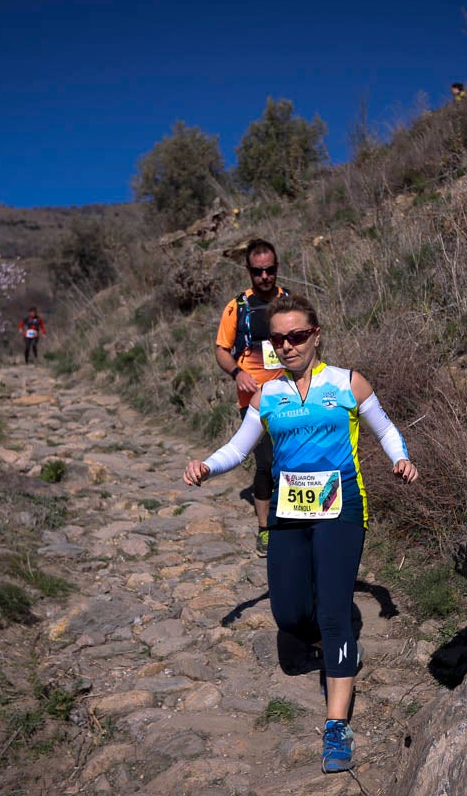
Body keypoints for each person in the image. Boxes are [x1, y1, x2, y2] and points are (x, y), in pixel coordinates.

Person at [184, 294, 418, 773]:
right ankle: (329, 641)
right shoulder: (267, 395)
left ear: (316, 335)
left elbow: (386, 429)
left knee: (334, 612)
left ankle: (336, 725)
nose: (287, 346)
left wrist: (400, 457)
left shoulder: (347, 383)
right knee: (289, 613)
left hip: (342, 507)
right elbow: (238, 448)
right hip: (289, 512)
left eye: (296, 336)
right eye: (277, 339)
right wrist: (208, 465)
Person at [213, 239, 290, 556]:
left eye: (270, 270)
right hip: (255, 401)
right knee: (265, 464)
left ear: (276, 268)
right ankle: (264, 529)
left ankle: (293, 525)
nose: (264, 277)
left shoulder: (289, 303)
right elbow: (221, 349)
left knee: (292, 463)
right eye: (258, 271)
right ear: (248, 271)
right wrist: (237, 374)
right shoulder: (237, 308)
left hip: (291, 396)